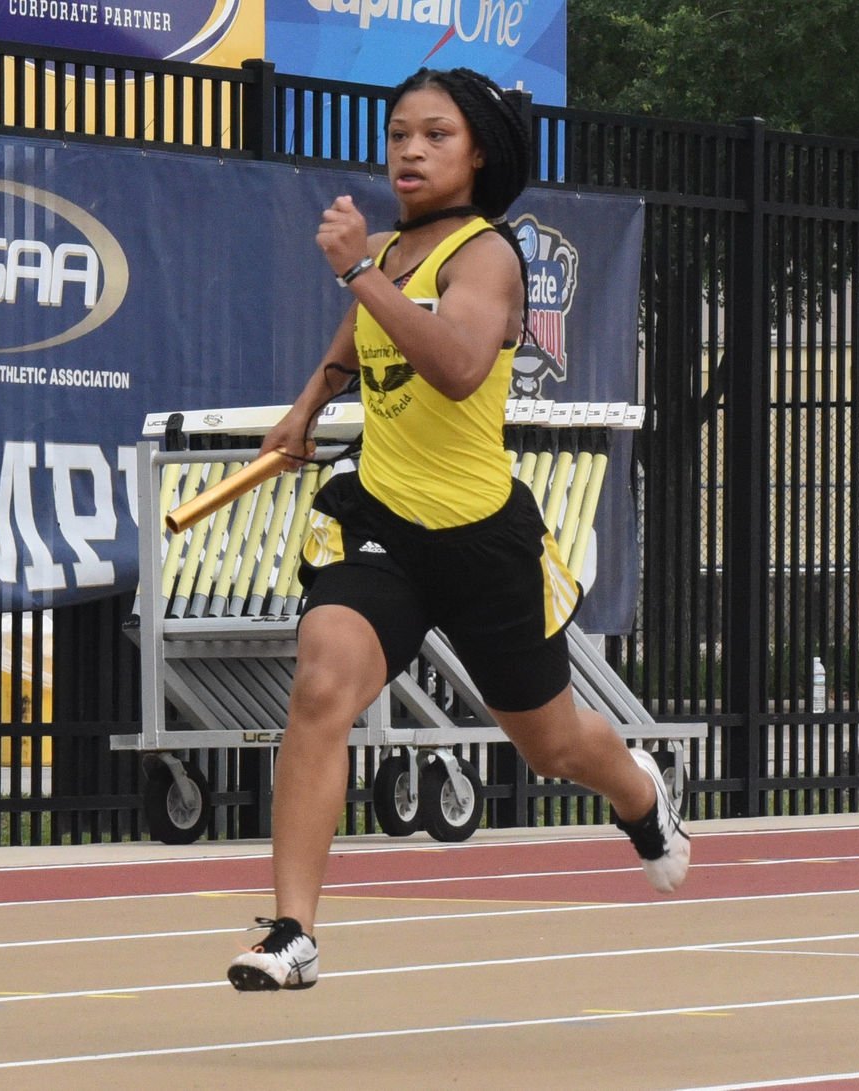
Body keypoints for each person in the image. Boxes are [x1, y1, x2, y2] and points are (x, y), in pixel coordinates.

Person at [227, 66, 689, 994]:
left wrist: (357, 268)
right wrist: (309, 403)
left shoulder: (486, 256)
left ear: (477, 151)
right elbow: (362, 339)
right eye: (400, 132)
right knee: (322, 682)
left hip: (482, 541)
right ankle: (293, 930)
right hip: (384, 523)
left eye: (436, 134)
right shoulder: (395, 255)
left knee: (551, 745)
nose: (410, 149)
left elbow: (459, 365)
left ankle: (640, 795)